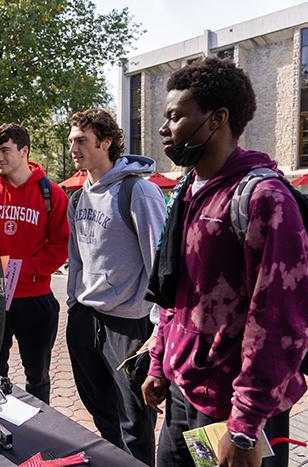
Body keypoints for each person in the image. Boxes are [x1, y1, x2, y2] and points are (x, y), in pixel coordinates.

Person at [143, 57, 308, 467]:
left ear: (217, 119)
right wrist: (159, 364)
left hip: (234, 408)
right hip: (183, 393)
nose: (164, 129)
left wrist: (245, 424)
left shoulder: (263, 198)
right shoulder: (184, 191)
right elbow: (175, 290)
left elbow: (278, 319)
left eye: (176, 116)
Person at [66, 109, 165, 465]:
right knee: (102, 415)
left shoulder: (138, 191)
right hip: (86, 319)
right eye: (71, 140)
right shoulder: (78, 197)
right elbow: (75, 258)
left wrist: (158, 329)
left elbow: (160, 264)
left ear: (106, 142)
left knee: (135, 425)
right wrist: (73, 303)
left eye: (81, 140)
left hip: (128, 325)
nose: (73, 147)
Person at [0, 123, 69, 404]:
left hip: (34, 298)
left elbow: (61, 245)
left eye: (5, 150)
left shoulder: (51, 194)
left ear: (24, 151)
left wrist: (26, 270)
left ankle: (42, 431)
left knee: (38, 377)